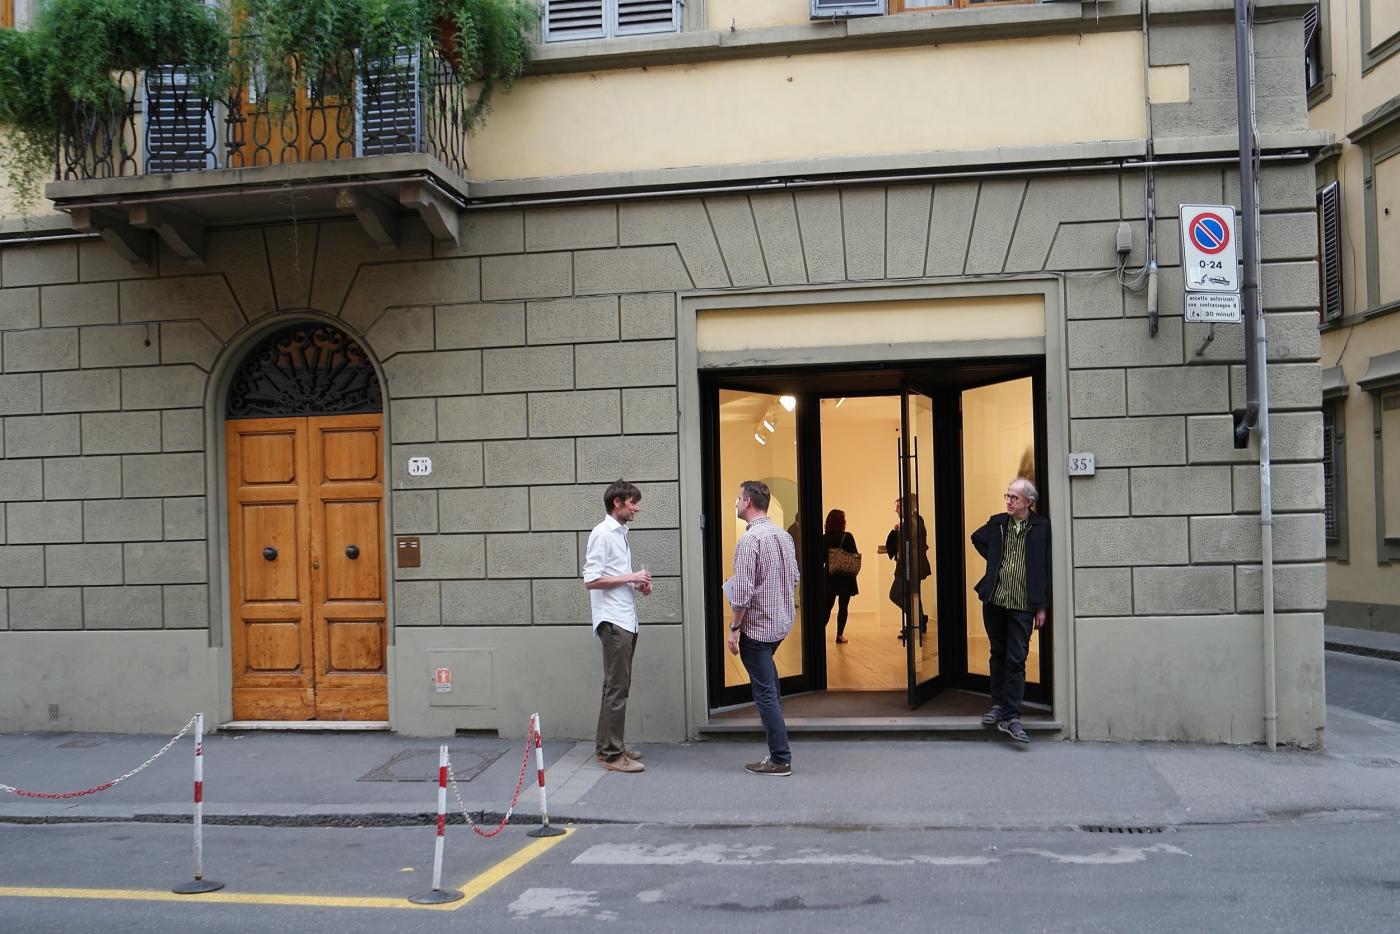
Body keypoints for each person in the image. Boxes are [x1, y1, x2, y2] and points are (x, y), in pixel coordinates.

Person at [726, 480, 800, 777]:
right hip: (780, 624)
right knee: (770, 685)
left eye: (738, 498)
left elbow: (742, 593)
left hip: (756, 629)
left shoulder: (749, 540)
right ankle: (777, 752)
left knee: (765, 693)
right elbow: (794, 577)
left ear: (747, 502)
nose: (735, 503)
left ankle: (780, 758)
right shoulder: (783, 536)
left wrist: (734, 627)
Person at [970, 477, 1050, 745]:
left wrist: (1041, 607)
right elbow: (976, 538)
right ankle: (997, 706)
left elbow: (1045, 568)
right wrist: (995, 560)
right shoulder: (997, 523)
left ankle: (1011, 716)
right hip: (995, 601)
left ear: (1029, 502)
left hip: (1023, 606)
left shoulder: (1041, 527)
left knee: (1016, 659)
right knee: (998, 654)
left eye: (1014, 498)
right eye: (1007, 496)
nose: (1009, 501)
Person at [582, 479, 652, 773]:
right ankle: (613, 754)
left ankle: (607, 748)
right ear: (617, 502)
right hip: (614, 621)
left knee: (613, 687)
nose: (637, 508)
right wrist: (631, 576)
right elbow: (591, 580)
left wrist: (637, 584)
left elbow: (612, 577)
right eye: (633, 502)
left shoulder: (619, 534)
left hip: (623, 619)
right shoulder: (603, 533)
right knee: (617, 689)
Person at [884, 495, 931, 642]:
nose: (896, 510)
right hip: (912, 566)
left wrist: (904, 567)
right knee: (914, 595)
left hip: (909, 567)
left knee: (895, 594)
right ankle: (918, 622)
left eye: (898, 507)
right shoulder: (915, 521)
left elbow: (910, 548)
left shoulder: (912, 523)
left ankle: (917, 620)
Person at [821, 509, 859, 644]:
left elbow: (821, 558)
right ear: (842, 522)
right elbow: (855, 555)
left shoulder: (824, 538)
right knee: (843, 607)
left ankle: (819, 633)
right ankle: (839, 635)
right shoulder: (847, 537)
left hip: (830, 576)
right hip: (845, 577)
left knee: (827, 607)